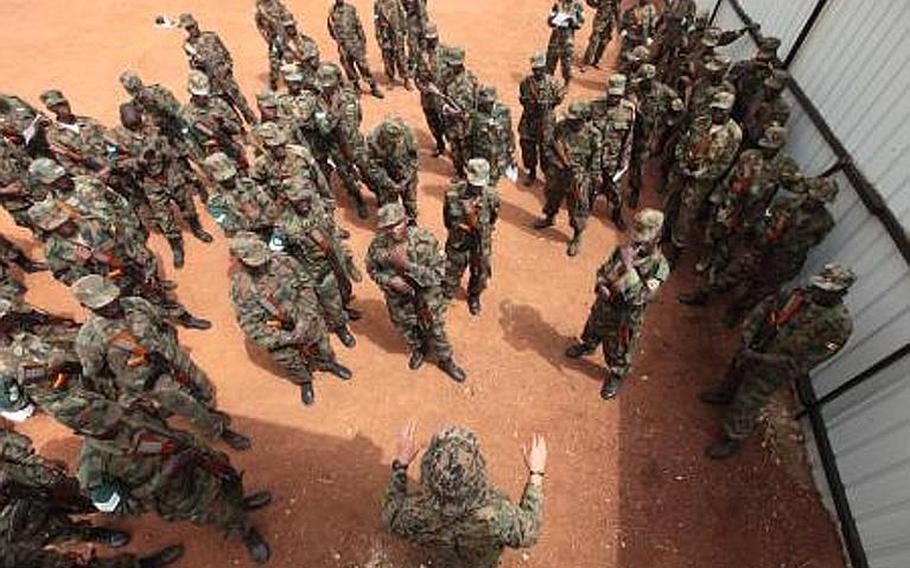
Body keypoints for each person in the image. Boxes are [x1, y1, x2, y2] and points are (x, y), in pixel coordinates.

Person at [71, 274, 251, 451]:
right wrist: (130, 382)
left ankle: (208, 408)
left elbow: (159, 323)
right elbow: (95, 371)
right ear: (85, 305)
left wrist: (168, 349)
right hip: (149, 380)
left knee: (201, 384)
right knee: (186, 404)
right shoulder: (90, 338)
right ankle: (217, 430)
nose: (111, 306)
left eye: (112, 299)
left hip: (170, 355)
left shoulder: (136, 304)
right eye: (102, 305)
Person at [701, 263, 855, 459]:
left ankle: (733, 437)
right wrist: (747, 337)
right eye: (818, 285)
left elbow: (808, 360)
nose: (818, 291)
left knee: (750, 398)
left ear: (842, 293)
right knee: (736, 370)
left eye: (826, 289)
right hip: (757, 346)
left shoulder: (838, 325)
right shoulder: (797, 294)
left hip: (776, 366)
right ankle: (724, 394)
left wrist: (765, 360)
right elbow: (765, 309)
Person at [382, 422, 546, 568]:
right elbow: (529, 532)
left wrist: (401, 465)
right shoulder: (498, 516)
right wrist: (536, 474)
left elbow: (390, 516)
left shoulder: (415, 513)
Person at [229, 233, 352, 406]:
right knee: (290, 360)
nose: (263, 265)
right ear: (241, 261)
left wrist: (306, 316)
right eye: (256, 263)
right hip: (279, 334)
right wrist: (287, 337)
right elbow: (250, 326)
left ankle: (328, 364)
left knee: (322, 345)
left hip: (306, 318)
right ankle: (304, 381)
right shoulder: (242, 288)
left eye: (264, 259)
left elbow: (306, 284)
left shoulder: (284, 262)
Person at [565, 209, 670, 399]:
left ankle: (616, 374)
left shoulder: (659, 267)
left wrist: (630, 271)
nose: (637, 241)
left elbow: (642, 296)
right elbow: (604, 270)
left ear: (657, 237)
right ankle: (588, 345)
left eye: (643, 238)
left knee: (620, 348)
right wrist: (601, 284)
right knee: (593, 327)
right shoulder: (623, 250)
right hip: (605, 305)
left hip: (625, 316)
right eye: (636, 236)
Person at [366, 203, 466, 382]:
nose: (392, 230)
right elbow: (372, 269)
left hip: (427, 296)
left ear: (406, 220)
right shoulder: (378, 245)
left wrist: (407, 266)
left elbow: (437, 275)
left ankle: (445, 360)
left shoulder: (425, 240)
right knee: (406, 327)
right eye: (387, 227)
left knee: (435, 328)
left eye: (396, 224)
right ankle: (418, 349)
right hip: (399, 299)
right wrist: (390, 280)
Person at [666, 91, 741, 259]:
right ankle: (665, 232)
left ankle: (677, 249)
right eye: (715, 109)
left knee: (686, 214)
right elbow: (683, 143)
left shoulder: (733, 134)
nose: (717, 113)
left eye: (722, 110)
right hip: (682, 171)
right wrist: (682, 163)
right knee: (672, 201)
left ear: (729, 110)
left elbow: (724, 164)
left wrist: (701, 174)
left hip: (701, 181)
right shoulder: (701, 121)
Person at [533, 101, 602, 257]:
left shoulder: (593, 134)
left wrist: (586, 178)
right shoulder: (561, 127)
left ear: (583, 119)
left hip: (578, 178)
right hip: (558, 173)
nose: (569, 121)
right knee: (552, 197)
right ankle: (549, 218)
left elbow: (596, 161)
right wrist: (558, 163)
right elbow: (549, 147)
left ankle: (577, 235)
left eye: (574, 119)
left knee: (577, 207)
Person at [443, 159, 501, 316]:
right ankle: (447, 292)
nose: (476, 187)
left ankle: (474, 296)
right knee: (451, 270)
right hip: (458, 240)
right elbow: (447, 220)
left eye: (479, 184)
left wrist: (481, 231)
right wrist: (460, 228)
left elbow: (493, 218)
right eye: (473, 183)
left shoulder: (492, 196)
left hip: (480, 242)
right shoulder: (452, 193)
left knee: (480, 273)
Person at [179, 13, 257, 124]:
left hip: (226, 78)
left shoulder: (211, 36)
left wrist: (228, 68)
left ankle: (254, 124)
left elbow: (226, 53)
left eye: (192, 26)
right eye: (188, 28)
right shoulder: (189, 46)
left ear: (196, 24)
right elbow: (194, 68)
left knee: (241, 103)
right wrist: (198, 62)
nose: (191, 30)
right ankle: (241, 130)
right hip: (213, 84)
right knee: (228, 108)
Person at [590, 73, 635, 230]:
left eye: (618, 96)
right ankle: (587, 207)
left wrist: (624, 162)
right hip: (594, 157)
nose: (614, 99)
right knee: (590, 186)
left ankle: (616, 215)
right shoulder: (595, 105)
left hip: (613, 159)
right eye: (612, 94)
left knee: (615, 191)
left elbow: (628, 139)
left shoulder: (628, 111)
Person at [180, 71, 247, 167]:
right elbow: (189, 142)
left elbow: (237, 128)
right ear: (192, 93)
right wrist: (203, 163)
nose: (203, 98)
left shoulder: (219, 104)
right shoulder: (186, 114)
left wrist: (223, 122)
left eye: (204, 95)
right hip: (213, 160)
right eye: (199, 96)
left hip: (232, 149)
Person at [518, 53, 565, 186]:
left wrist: (546, 105)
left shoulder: (553, 83)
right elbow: (522, 99)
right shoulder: (526, 83)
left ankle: (546, 174)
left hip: (546, 120)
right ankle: (531, 172)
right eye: (535, 69)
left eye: (540, 68)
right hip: (529, 119)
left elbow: (559, 99)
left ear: (545, 67)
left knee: (546, 149)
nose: (537, 71)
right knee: (528, 147)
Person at [39, 89, 112, 176]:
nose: (64, 107)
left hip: (114, 164)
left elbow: (111, 139)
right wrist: (95, 175)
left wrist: (114, 162)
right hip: (98, 175)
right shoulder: (53, 136)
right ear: (51, 109)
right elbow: (67, 164)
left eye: (65, 103)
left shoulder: (88, 121)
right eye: (59, 105)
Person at [327, 0, 385, 98]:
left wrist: (362, 42)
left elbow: (358, 25)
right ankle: (356, 87)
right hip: (343, 46)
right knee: (348, 67)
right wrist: (339, 41)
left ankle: (373, 87)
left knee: (364, 66)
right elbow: (331, 29)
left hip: (355, 43)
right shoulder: (332, 12)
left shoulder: (350, 9)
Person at [365, 116, 420, 218]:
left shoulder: (408, 135)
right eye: (392, 141)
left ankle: (411, 220)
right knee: (388, 204)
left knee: (410, 200)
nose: (396, 143)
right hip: (386, 173)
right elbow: (373, 166)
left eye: (398, 141)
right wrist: (389, 183)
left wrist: (406, 179)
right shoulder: (372, 141)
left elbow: (414, 159)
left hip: (405, 170)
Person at [466, 86, 516, 186]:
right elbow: (468, 137)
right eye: (483, 102)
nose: (486, 105)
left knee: (493, 180)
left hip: (498, 154)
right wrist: (468, 156)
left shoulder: (503, 111)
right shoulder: (474, 115)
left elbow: (509, 132)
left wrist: (511, 151)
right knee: (478, 182)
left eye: (489, 102)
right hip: (481, 155)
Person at [414, 23, 447, 157]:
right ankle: (440, 144)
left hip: (444, 99)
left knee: (449, 125)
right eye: (428, 39)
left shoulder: (445, 53)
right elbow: (417, 77)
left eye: (432, 38)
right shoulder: (421, 55)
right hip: (428, 99)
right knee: (433, 123)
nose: (430, 41)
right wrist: (424, 89)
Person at [374, 0, 412, 89]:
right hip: (385, 35)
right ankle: (391, 79)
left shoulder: (396, 2)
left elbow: (402, 15)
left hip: (397, 34)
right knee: (387, 57)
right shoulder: (378, 4)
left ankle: (406, 79)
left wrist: (404, 30)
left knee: (400, 56)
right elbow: (376, 20)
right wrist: (378, 35)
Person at [545, 0, 585, 84]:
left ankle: (566, 83)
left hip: (567, 39)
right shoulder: (558, 4)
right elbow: (549, 20)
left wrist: (572, 21)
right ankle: (548, 84)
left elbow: (580, 23)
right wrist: (554, 19)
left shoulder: (578, 5)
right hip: (555, 38)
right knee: (550, 61)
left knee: (566, 64)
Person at [581, 0, 620, 71]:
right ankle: (586, 63)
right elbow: (591, 2)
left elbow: (618, 7)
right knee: (594, 40)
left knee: (604, 41)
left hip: (611, 21)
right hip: (601, 19)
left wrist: (618, 22)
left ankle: (596, 61)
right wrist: (600, 4)